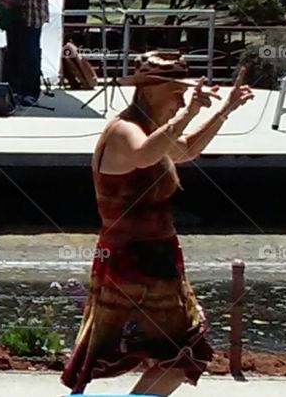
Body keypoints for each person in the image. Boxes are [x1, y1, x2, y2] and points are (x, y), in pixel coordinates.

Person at [61, 52, 254, 395]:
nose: (180, 99)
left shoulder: (152, 130)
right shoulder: (124, 130)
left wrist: (224, 111)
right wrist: (189, 111)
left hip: (157, 257)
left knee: (176, 353)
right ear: (149, 91)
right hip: (130, 260)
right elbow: (146, 154)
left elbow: (185, 150)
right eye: (176, 92)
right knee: (176, 352)